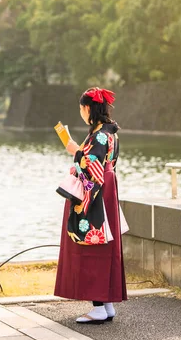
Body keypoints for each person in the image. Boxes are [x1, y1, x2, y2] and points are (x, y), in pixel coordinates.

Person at [54, 87, 127, 324]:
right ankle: (105, 303)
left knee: (92, 244)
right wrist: (80, 159)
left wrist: (75, 152)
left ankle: (97, 307)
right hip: (105, 191)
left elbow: (92, 168)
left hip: (95, 194)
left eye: (81, 108)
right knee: (103, 246)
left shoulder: (98, 135)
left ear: (88, 109)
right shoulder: (108, 133)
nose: (81, 113)